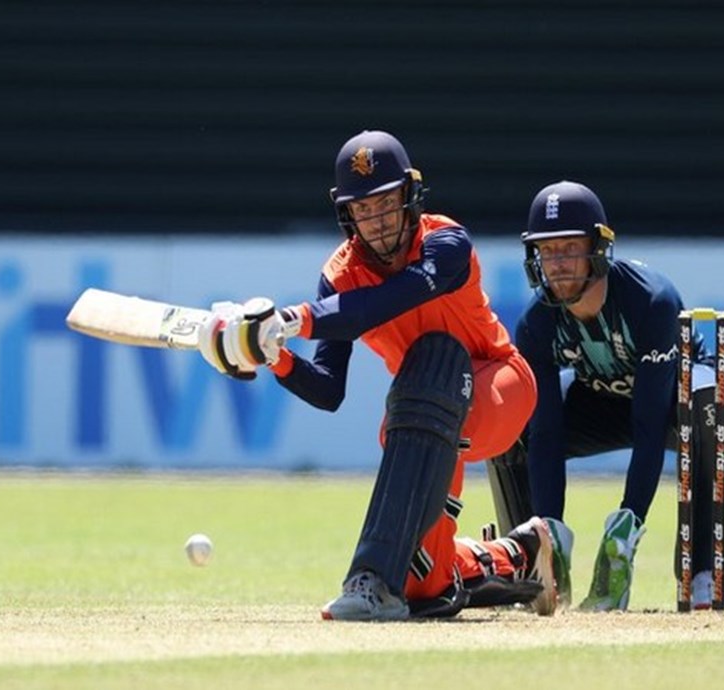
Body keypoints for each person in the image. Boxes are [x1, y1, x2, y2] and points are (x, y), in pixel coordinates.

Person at [195, 130, 563, 621]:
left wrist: (292, 320)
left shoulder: (446, 244)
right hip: (423, 416)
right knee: (427, 588)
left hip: (499, 388)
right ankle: (522, 552)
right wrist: (272, 356)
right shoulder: (340, 274)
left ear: (409, 197)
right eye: (363, 209)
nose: (377, 221)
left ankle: (370, 580)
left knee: (433, 358)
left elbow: (386, 302)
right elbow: (328, 388)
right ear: (347, 214)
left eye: (386, 204)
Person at [491, 180, 724, 611]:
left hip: (670, 404)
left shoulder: (651, 302)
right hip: (602, 400)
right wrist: (549, 528)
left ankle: (706, 572)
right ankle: (531, 567)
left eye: (569, 248)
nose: (559, 264)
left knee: (708, 404)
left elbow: (647, 426)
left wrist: (627, 526)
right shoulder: (536, 324)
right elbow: (547, 431)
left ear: (598, 249)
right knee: (510, 422)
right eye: (548, 251)